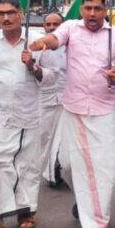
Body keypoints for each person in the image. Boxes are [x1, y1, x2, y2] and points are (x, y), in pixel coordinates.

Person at [29, 0, 115, 228]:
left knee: (108, 169)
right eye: (88, 8)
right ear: (82, 9)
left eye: (97, 9)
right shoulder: (71, 28)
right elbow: (55, 38)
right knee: (68, 165)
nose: (92, 13)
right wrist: (43, 42)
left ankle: (97, 222)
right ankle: (84, 199)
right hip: (74, 107)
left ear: (105, 10)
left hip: (104, 108)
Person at [0, 0, 55, 228]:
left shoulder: (37, 42)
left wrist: (33, 67)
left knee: (26, 165)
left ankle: (25, 209)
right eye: (1, 13)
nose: (6, 18)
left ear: (21, 14)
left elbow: (52, 77)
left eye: (11, 12)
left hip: (29, 112)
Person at [38, 12, 67, 188]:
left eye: (55, 24)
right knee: (45, 137)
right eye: (48, 24)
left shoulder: (70, 45)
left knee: (64, 139)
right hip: (45, 99)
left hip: (67, 98)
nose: (51, 27)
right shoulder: (37, 46)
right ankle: (48, 171)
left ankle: (57, 170)